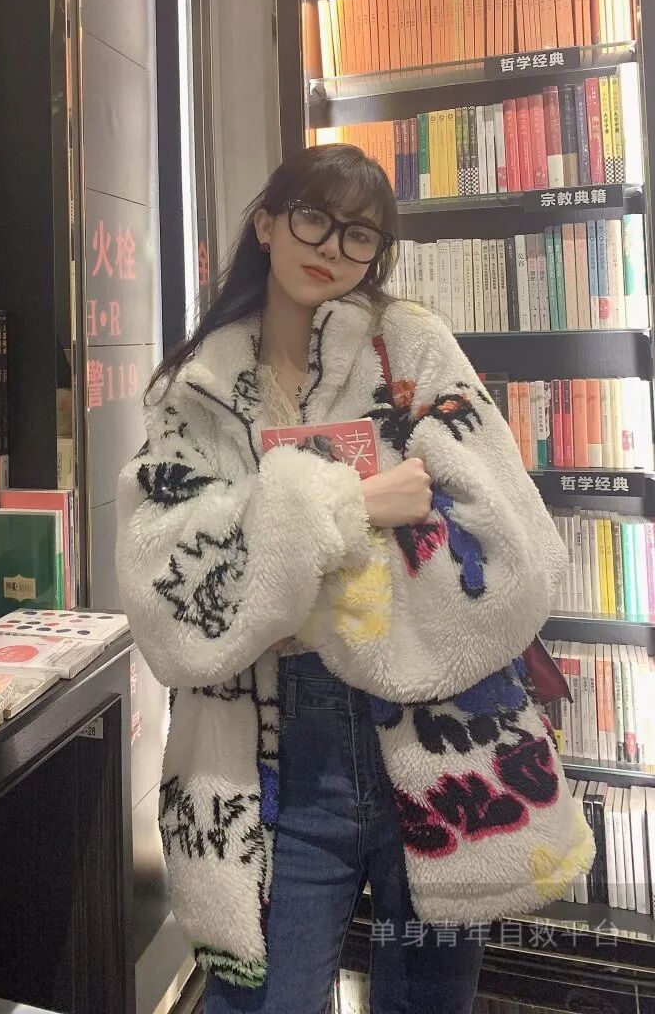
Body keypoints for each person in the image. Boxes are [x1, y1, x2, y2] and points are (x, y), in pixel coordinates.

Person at [116, 144, 591, 1014]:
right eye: (313, 218)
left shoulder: (411, 350)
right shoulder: (199, 386)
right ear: (267, 224)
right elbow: (165, 592)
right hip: (272, 751)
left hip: (439, 737)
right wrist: (353, 502)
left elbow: (516, 549)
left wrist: (283, 560)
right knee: (264, 1001)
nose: (331, 246)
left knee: (430, 1000)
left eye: (359, 234)